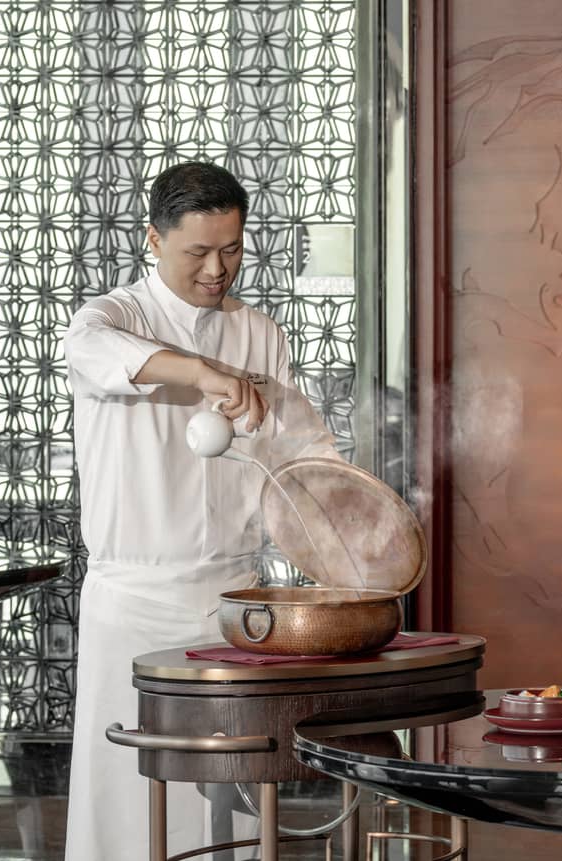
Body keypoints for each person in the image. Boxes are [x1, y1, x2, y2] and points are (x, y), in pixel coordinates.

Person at [63, 162, 335, 860]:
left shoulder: (260, 332)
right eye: (198, 252)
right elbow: (97, 351)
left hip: (231, 601)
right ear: (152, 240)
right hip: (134, 602)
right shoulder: (111, 316)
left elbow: (297, 456)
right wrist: (206, 372)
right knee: (130, 800)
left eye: (233, 249)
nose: (218, 269)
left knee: (230, 802)